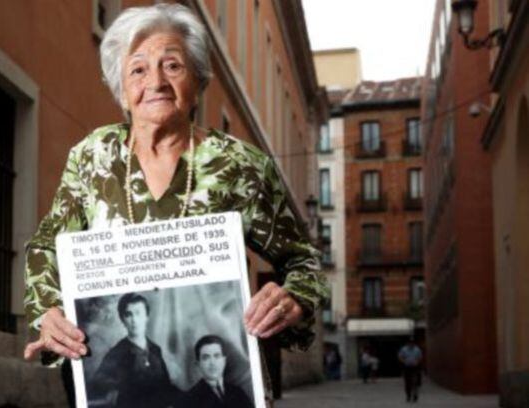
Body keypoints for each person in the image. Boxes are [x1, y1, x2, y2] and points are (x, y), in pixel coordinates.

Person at [21, 3, 329, 405]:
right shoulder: (93, 157)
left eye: (172, 66)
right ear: (123, 89)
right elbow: (46, 248)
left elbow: (303, 261)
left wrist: (294, 299)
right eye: (138, 69)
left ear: (197, 80)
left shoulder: (239, 164)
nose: (156, 81)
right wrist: (49, 312)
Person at [88, 293, 179, 408]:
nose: (134, 320)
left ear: (147, 316)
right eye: (128, 315)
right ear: (122, 319)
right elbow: (98, 383)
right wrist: (119, 387)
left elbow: (166, 386)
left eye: (138, 313)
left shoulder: (155, 350)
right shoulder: (117, 353)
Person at [181, 335, 253, 408]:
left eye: (217, 356)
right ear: (198, 364)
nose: (212, 363)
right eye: (206, 357)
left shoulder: (238, 392)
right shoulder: (190, 399)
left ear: (224, 361)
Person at [398, 338, 423, 403]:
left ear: (414, 344)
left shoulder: (417, 349)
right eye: (409, 343)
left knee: (415, 381)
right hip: (407, 367)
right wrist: (404, 361)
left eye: (412, 343)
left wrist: (417, 362)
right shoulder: (403, 349)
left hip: (415, 367)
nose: (411, 345)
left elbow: (420, 357)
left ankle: (415, 394)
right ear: (407, 344)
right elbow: (400, 357)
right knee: (407, 382)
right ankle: (408, 395)